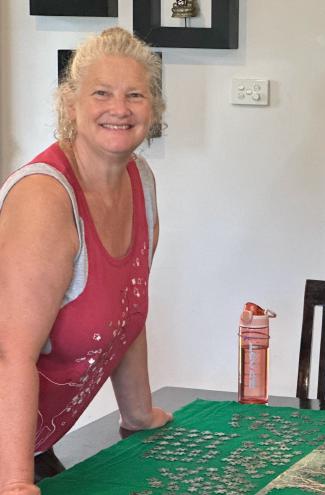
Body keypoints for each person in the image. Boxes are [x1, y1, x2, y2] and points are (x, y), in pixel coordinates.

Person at [0, 27, 172, 495]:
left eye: (135, 95)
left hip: (34, 446)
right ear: (70, 105)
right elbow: (10, 352)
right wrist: (14, 482)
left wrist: (139, 415)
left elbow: (127, 309)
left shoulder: (140, 180)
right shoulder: (44, 197)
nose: (120, 108)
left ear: (153, 109)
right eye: (101, 93)